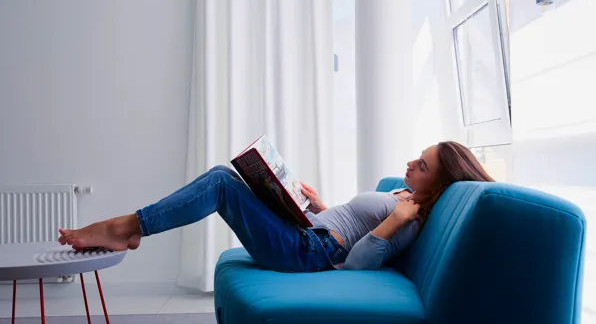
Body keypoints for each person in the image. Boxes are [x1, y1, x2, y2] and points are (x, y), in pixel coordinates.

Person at [58, 141, 494, 272]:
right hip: (308, 234)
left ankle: (126, 227)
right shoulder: (403, 195)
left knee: (219, 184)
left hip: (307, 253)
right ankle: (131, 226)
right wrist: (319, 205)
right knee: (226, 177)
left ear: (440, 181)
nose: (409, 164)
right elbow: (350, 224)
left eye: (420, 165)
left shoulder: (411, 218)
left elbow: (357, 264)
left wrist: (392, 224)